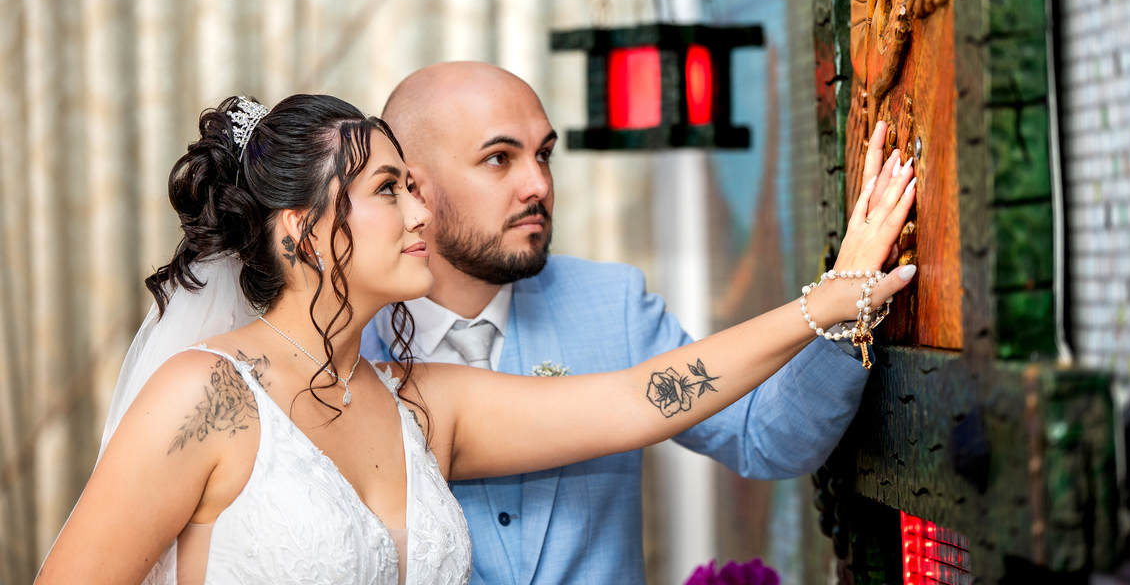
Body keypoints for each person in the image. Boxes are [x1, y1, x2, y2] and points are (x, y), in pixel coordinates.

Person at [37, 92, 916, 585]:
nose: (421, 212)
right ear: (302, 234)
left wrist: (828, 301)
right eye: (389, 190)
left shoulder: (421, 402)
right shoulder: (207, 395)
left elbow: (642, 397)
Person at [357, 63, 911, 585]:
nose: (539, 184)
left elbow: (766, 436)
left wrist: (846, 310)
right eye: (499, 158)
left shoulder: (612, 303)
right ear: (413, 190)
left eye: (544, 154)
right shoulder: (347, 348)